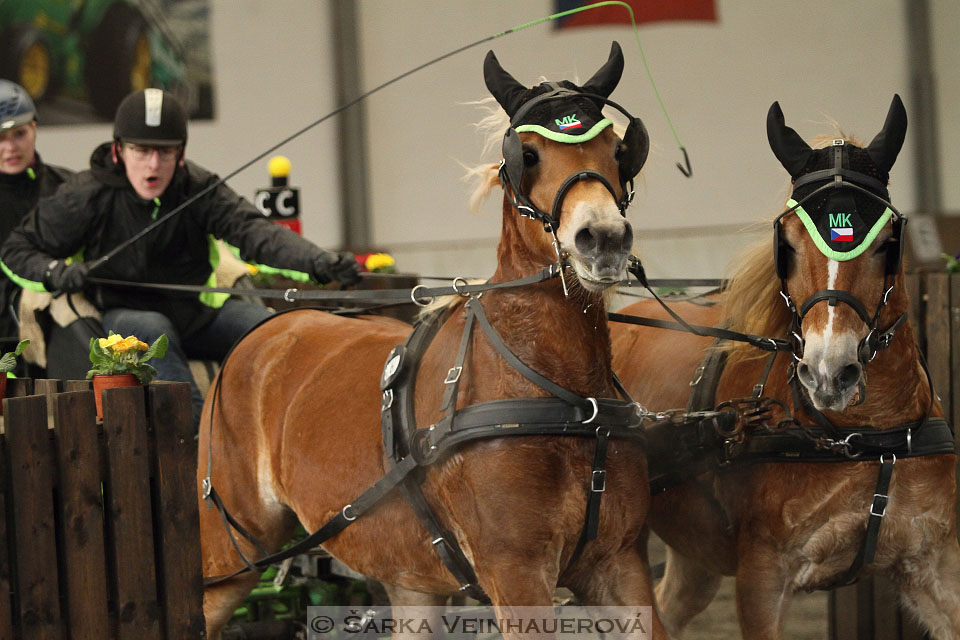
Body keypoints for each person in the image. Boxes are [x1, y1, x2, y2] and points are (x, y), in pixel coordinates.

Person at [1, 88, 361, 426]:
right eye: (141, 151)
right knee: (154, 330)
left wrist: (318, 261)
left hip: (196, 316)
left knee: (270, 330)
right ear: (118, 151)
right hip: (125, 321)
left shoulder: (199, 189)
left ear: (182, 152)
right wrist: (54, 272)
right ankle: (198, 443)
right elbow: (15, 250)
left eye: (165, 152)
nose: (153, 165)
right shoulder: (84, 195)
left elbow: (256, 233)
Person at [0, 79, 87, 377]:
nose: (10, 147)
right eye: (0, 137)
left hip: (65, 319)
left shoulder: (68, 187)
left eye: (19, 134)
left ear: (35, 128)